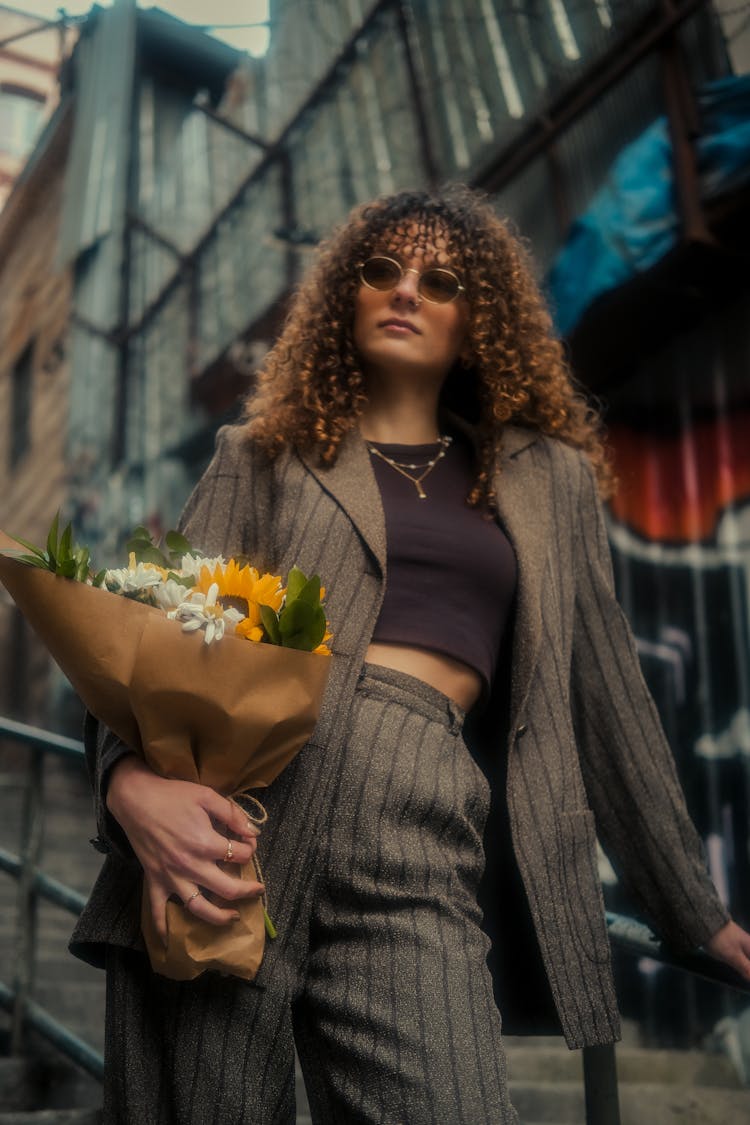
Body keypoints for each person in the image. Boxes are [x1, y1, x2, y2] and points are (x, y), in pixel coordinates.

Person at [70, 185, 750, 1124]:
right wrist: (128, 789)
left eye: (441, 280)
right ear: (346, 295)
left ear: (480, 317)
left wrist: (695, 910)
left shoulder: (544, 478)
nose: (406, 292)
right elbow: (145, 648)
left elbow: (609, 700)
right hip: (232, 836)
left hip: (419, 841)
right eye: (383, 270)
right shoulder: (260, 457)